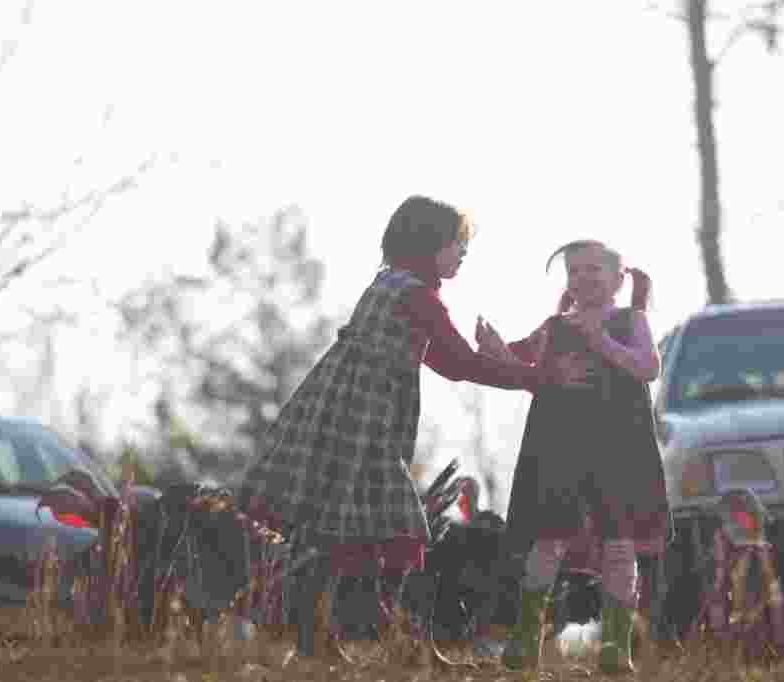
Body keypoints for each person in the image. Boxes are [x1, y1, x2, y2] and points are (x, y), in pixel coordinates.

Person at [239, 196, 589, 662]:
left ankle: (324, 641)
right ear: (429, 244)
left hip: (347, 418)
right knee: (401, 533)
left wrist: (518, 352)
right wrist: (538, 377)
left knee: (337, 531)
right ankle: (405, 641)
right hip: (363, 427)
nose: (462, 252)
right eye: (455, 243)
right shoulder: (417, 296)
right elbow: (461, 364)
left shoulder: (391, 284)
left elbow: (449, 360)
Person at [475, 239, 671, 674]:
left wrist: (600, 340)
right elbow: (519, 366)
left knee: (619, 544)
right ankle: (525, 639)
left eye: (593, 270)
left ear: (619, 279)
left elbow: (648, 367)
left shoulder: (630, 320)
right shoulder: (554, 326)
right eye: (574, 272)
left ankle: (615, 647)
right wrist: (492, 348)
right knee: (550, 538)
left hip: (618, 448)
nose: (582, 279)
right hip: (561, 449)